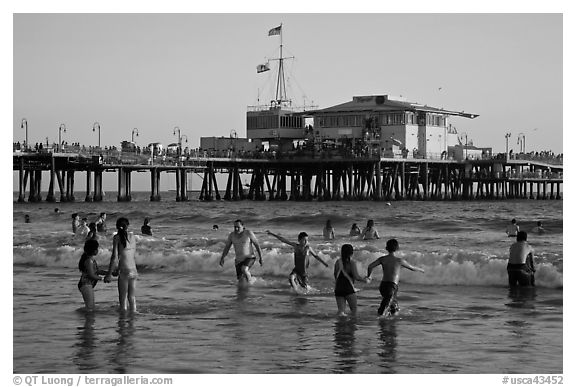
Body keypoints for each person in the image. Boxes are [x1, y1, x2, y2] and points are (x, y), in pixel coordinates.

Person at [366, 239, 425, 317]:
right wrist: (421, 269)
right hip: (392, 287)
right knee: (384, 308)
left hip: (383, 286)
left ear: (386, 248)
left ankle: (391, 322)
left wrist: (369, 276)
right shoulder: (399, 261)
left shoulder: (383, 259)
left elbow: (370, 266)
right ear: (397, 248)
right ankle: (382, 321)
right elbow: (412, 268)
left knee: (393, 306)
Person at [104, 217, 138, 312]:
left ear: (117, 227)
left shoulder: (117, 238)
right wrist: (118, 268)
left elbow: (114, 257)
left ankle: (122, 324)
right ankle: (132, 322)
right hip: (134, 270)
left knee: (123, 300)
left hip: (125, 271)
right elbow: (130, 255)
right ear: (128, 226)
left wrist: (109, 274)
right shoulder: (133, 237)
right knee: (132, 298)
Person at [219, 219, 263, 284]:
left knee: (244, 269)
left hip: (250, 257)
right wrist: (222, 258)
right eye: (235, 227)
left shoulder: (248, 233)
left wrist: (261, 258)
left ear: (243, 226)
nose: (236, 229)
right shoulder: (231, 235)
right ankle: (251, 281)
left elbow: (257, 245)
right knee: (241, 281)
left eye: (238, 227)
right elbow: (227, 247)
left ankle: (250, 284)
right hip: (238, 260)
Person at [334, 244, 368, 316]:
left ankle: (339, 325)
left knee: (341, 311)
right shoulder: (352, 263)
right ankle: (352, 326)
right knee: (354, 311)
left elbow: (335, 275)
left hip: (338, 288)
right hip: (348, 288)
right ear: (351, 253)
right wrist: (365, 280)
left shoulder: (338, 262)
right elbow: (356, 277)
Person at [77, 239, 107, 311]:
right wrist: (102, 279)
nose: (98, 250)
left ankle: (86, 319)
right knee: (90, 308)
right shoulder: (89, 261)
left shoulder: (91, 259)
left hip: (87, 284)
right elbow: (91, 275)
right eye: (97, 248)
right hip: (85, 284)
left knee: (90, 307)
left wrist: (109, 273)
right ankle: (87, 320)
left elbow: (97, 271)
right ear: (93, 250)